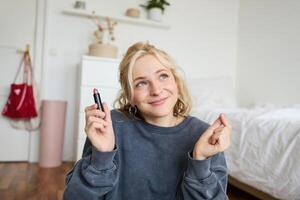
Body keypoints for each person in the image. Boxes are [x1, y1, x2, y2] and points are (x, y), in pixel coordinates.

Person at [63, 42, 232, 200]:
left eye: (163, 76)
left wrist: (200, 159)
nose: (156, 90)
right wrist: (102, 156)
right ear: (129, 95)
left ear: (177, 83)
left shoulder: (205, 136)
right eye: (141, 83)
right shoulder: (111, 126)